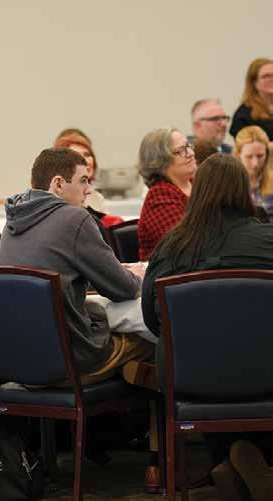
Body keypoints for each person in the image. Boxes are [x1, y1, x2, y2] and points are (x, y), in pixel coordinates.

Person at [141, 153, 273, 501]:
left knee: (210, 368)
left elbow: (151, 318)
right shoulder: (269, 240)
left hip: (189, 378)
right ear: (243, 191)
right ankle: (252, 464)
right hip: (267, 372)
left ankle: (228, 465)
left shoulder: (172, 246)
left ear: (197, 192)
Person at [0, 148, 153, 382]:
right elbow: (125, 289)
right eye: (83, 181)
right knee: (161, 326)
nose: (89, 189)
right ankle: (176, 402)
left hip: (21, 361)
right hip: (74, 359)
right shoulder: (74, 218)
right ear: (58, 184)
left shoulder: (12, 223)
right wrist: (139, 276)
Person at [137, 128, 197, 261]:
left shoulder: (199, 184)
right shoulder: (160, 195)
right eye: (181, 150)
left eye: (188, 146)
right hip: (175, 271)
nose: (191, 153)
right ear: (161, 161)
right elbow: (184, 245)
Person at [54, 131, 107, 212]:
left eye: (87, 155)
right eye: (77, 156)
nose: (86, 161)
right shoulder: (53, 200)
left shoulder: (96, 198)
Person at [233, 125, 273, 222]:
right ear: (238, 154)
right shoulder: (227, 183)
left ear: (267, 154)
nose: (255, 163)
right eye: (249, 157)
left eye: (260, 156)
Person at [230, 58, 273, 142]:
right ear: (254, 82)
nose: (272, 79)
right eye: (266, 76)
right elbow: (247, 147)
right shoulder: (244, 115)